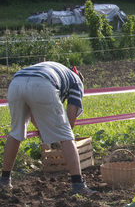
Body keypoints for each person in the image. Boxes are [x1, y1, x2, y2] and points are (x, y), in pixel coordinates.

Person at [2, 61, 95, 195]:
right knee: (67, 135)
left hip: (16, 83)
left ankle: (4, 180)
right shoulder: (76, 81)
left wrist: (45, 132)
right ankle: (78, 184)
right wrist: (62, 138)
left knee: (15, 132)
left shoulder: (56, 69)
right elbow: (71, 114)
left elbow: (35, 112)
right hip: (42, 84)